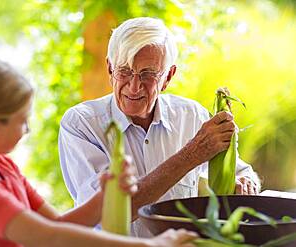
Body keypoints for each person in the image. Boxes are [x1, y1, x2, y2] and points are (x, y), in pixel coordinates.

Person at [0, 58, 197, 247]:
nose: (28, 129)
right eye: (23, 120)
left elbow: (57, 225)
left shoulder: (0, 165)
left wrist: (104, 198)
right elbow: (45, 238)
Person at [58, 17, 261, 237]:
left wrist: (245, 184)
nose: (134, 87)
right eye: (124, 71)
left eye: (148, 74)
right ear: (109, 69)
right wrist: (193, 153)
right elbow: (109, 210)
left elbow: (243, 173)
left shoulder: (191, 115)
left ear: (168, 77)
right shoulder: (81, 124)